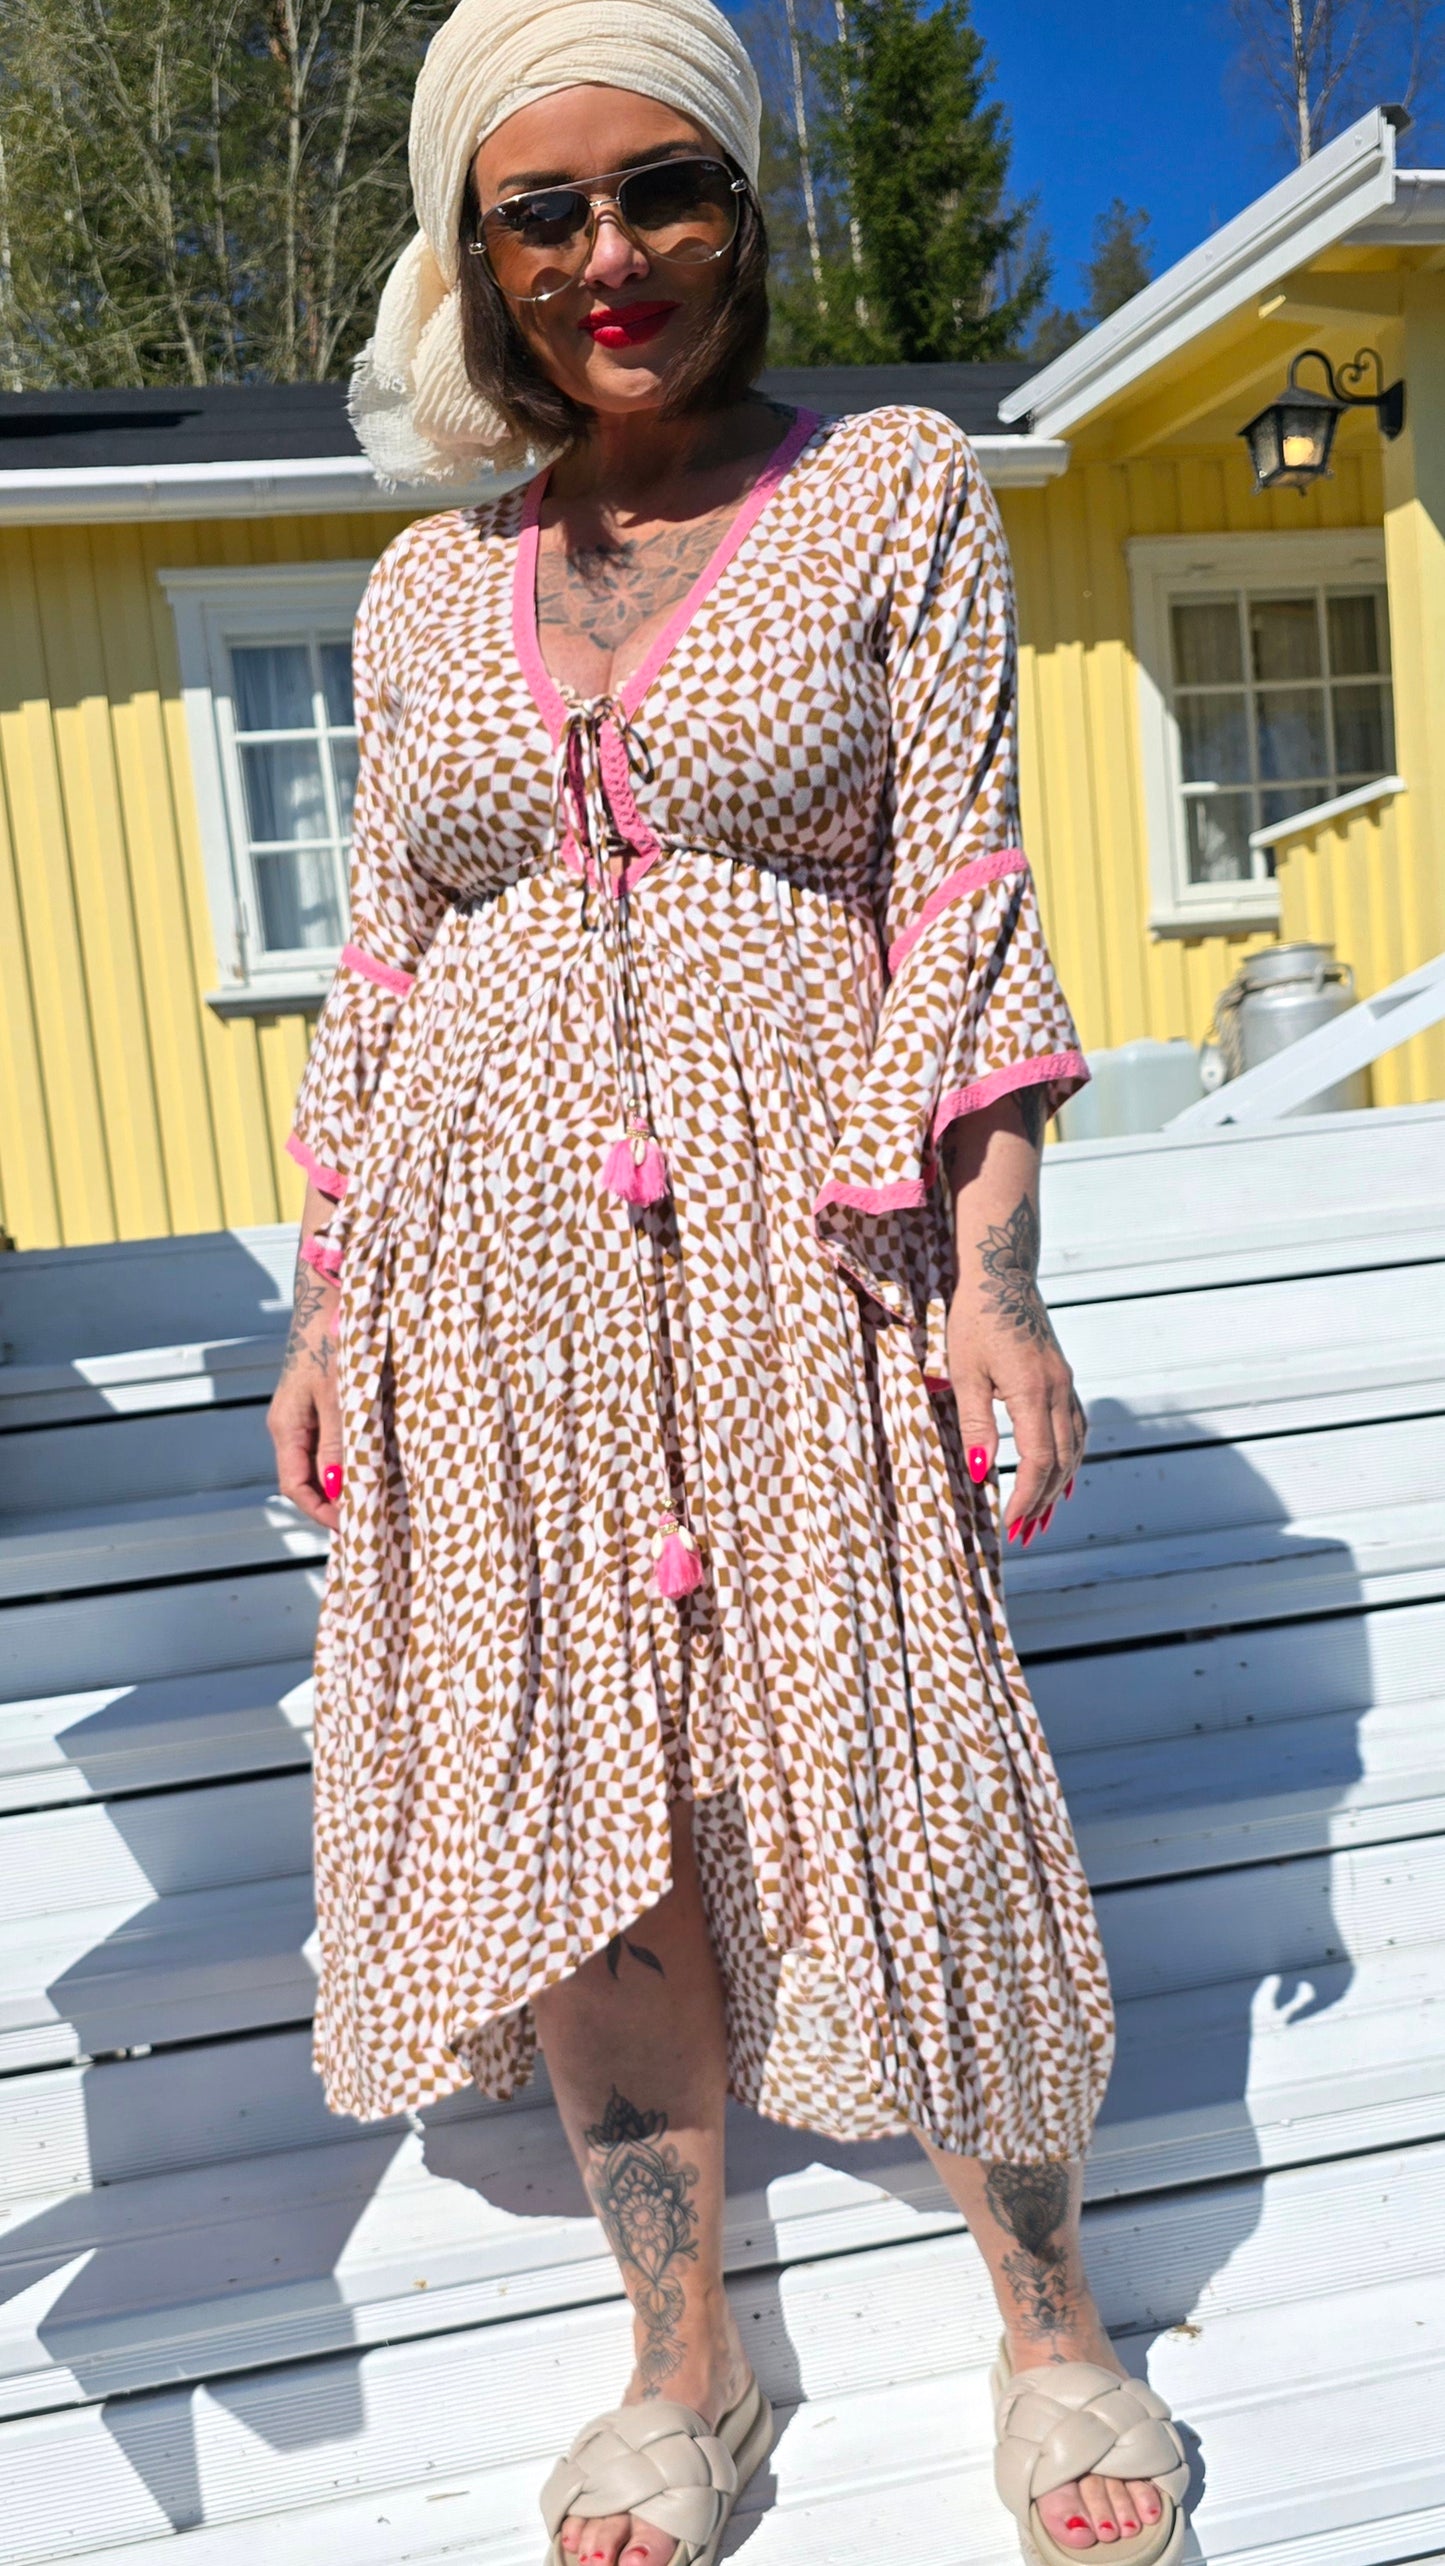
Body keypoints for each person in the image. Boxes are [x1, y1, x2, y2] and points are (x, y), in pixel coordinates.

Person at [268, 4, 1190, 2562]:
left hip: (813, 1262)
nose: (612, 256)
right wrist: (331, 1307)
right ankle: (687, 2363)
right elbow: (384, 966)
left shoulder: (885, 491)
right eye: (542, 212)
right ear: (476, 258)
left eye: (660, 188)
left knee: (914, 1770)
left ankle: (1053, 2330)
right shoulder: (421, 593)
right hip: (490, 1296)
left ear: (742, 207)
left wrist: (995, 1276)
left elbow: (963, 889)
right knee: (590, 1804)